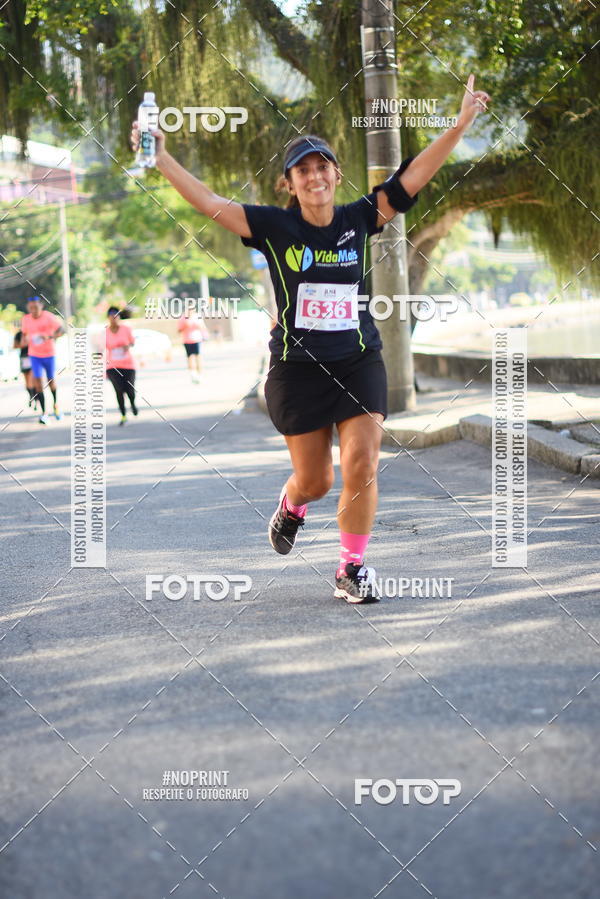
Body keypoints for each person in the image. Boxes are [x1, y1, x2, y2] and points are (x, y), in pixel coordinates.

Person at [131, 73, 490, 603]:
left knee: (364, 462)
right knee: (317, 480)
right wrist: (159, 157)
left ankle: (351, 568)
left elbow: (412, 176)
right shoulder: (272, 226)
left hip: (358, 359)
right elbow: (207, 201)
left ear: (335, 173)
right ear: (289, 184)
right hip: (298, 370)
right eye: (303, 170)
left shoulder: (359, 218)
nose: (314, 175)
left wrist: (459, 126)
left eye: (322, 166)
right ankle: (292, 505)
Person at [20, 296, 64, 425]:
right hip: (34, 355)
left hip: (49, 354)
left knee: (51, 381)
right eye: (31, 307)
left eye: (35, 307)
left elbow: (61, 330)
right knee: (38, 383)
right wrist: (25, 340)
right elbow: (24, 335)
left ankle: (55, 404)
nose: (33, 310)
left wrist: (50, 336)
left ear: (41, 306)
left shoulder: (49, 316)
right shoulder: (26, 319)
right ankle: (44, 413)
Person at [105, 307, 138, 425]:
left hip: (128, 365)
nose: (114, 318)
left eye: (116, 315)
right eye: (111, 316)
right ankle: (123, 414)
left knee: (130, 389)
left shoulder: (126, 329)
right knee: (119, 390)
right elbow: (100, 349)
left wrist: (127, 346)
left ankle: (133, 404)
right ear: (108, 318)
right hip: (113, 366)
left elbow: (133, 342)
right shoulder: (105, 332)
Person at [177, 309, 209, 382]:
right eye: (189, 309)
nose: (190, 311)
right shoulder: (183, 318)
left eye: (192, 310)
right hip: (186, 340)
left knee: (198, 357)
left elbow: (203, 327)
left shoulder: (197, 317)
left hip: (197, 339)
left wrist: (199, 326)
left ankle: (200, 374)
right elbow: (179, 330)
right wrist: (185, 326)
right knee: (190, 357)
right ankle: (193, 374)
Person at [13, 329, 36, 409]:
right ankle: (31, 396)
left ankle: (34, 398)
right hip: (24, 358)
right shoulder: (19, 334)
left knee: (32, 380)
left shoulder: (32, 332)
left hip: (32, 357)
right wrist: (23, 344)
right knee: (27, 382)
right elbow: (15, 345)